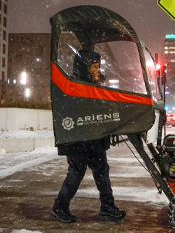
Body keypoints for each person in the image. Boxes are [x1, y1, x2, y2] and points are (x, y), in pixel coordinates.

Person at [51, 50, 126, 223]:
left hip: (93, 139)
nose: (98, 70)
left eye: (99, 66)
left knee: (101, 170)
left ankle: (107, 206)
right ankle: (59, 207)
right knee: (76, 172)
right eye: (94, 66)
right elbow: (86, 109)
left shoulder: (92, 85)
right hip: (79, 141)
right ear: (85, 68)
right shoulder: (74, 85)